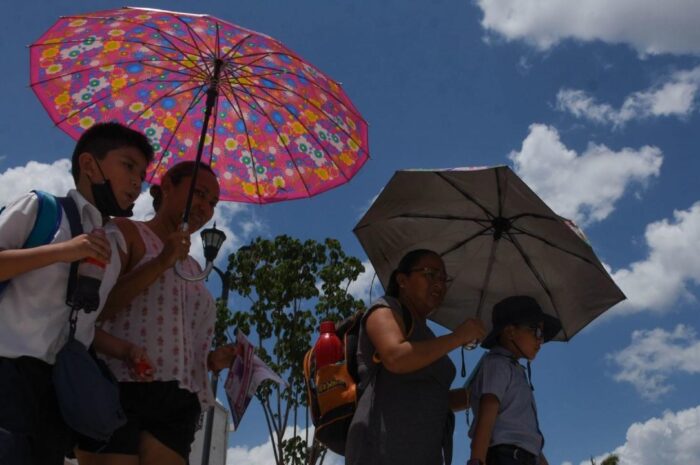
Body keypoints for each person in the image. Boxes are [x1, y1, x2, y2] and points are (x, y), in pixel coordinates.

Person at [0, 122, 154, 465]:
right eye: (128, 165)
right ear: (89, 165)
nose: (136, 182)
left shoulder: (114, 245)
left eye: (142, 174)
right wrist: (63, 251)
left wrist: (125, 350)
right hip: (8, 375)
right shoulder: (42, 209)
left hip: (56, 395)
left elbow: (81, 324)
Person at [75, 161, 236, 465]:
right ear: (166, 188)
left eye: (213, 202)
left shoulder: (193, 269)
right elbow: (90, 306)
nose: (205, 207)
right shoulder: (126, 232)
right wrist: (160, 262)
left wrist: (211, 360)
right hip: (116, 384)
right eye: (199, 194)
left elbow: (177, 338)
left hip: (176, 401)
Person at [346, 249, 486, 465]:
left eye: (443, 278)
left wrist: (477, 395)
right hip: (380, 453)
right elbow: (396, 357)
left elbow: (435, 398)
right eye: (430, 274)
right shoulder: (384, 310)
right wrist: (458, 337)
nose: (439, 283)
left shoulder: (428, 335)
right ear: (402, 280)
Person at [467, 295, 562, 465]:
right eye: (536, 331)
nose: (540, 339)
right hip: (506, 457)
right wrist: (476, 461)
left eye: (543, 333)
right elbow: (486, 418)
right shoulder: (497, 364)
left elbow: (526, 437)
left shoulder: (516, 370)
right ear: (510, 331)